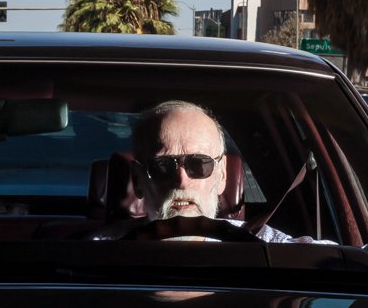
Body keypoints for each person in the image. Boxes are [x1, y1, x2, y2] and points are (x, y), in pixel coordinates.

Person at [130, 100, 321, 243]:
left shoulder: (263, 246)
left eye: (199, 164)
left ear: (222, 175)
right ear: (138, 180)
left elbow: (332, 261)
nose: (182, 180)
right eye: (163, 166)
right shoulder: (105, 252)